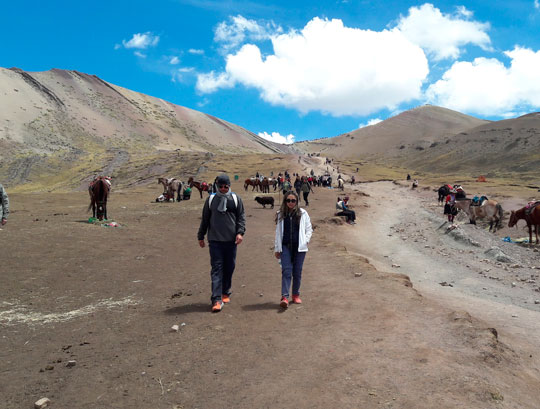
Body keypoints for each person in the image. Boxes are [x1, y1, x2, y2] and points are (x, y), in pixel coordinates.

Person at [197, 174, 246, 312]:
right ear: (217, 186)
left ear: (229, 186)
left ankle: (225, 292)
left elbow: (241, 218)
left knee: (230, 267)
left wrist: (240, 233)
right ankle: (216, 299)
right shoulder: (211, 199)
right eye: (221, 186)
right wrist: (201, 236)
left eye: (226, 186)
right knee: (217, 269)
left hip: (231, 240)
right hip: (215, 240)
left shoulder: (236, 199)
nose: (223, 189)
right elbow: (205, 219)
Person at [274, 191, 313, 309]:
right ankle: (284, 297)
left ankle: (295, 294)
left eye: (293, 201)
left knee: (297, 272)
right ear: (285, 201)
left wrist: (306, 240)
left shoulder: (303, 213)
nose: (291, 203)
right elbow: (278, 233)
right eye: (288, 200)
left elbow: (309, 229)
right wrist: (277, 248)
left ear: (297, 201)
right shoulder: (281, 214)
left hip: (300, 247)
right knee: (286, 271)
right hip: (285, 246)